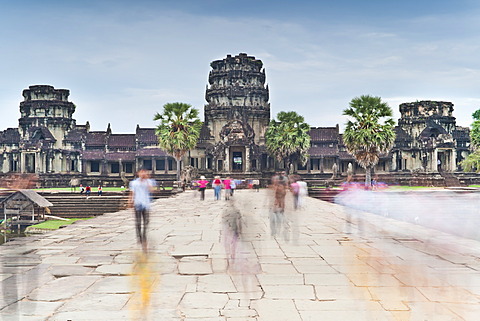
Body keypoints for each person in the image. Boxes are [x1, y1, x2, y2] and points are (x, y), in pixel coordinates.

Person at [128, 169, 156, 251]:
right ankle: (140, 238)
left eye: (145, 172)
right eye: (141, 172)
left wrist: (147, 180)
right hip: (137, 203)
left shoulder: (149, 181)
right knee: (138, 223)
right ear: (138, 173)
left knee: (146, 222)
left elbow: (152, 190)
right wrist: (130, 201)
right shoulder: (134, 183)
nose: (143, 174)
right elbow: (132, 193)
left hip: (146, 204)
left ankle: (144, 237)